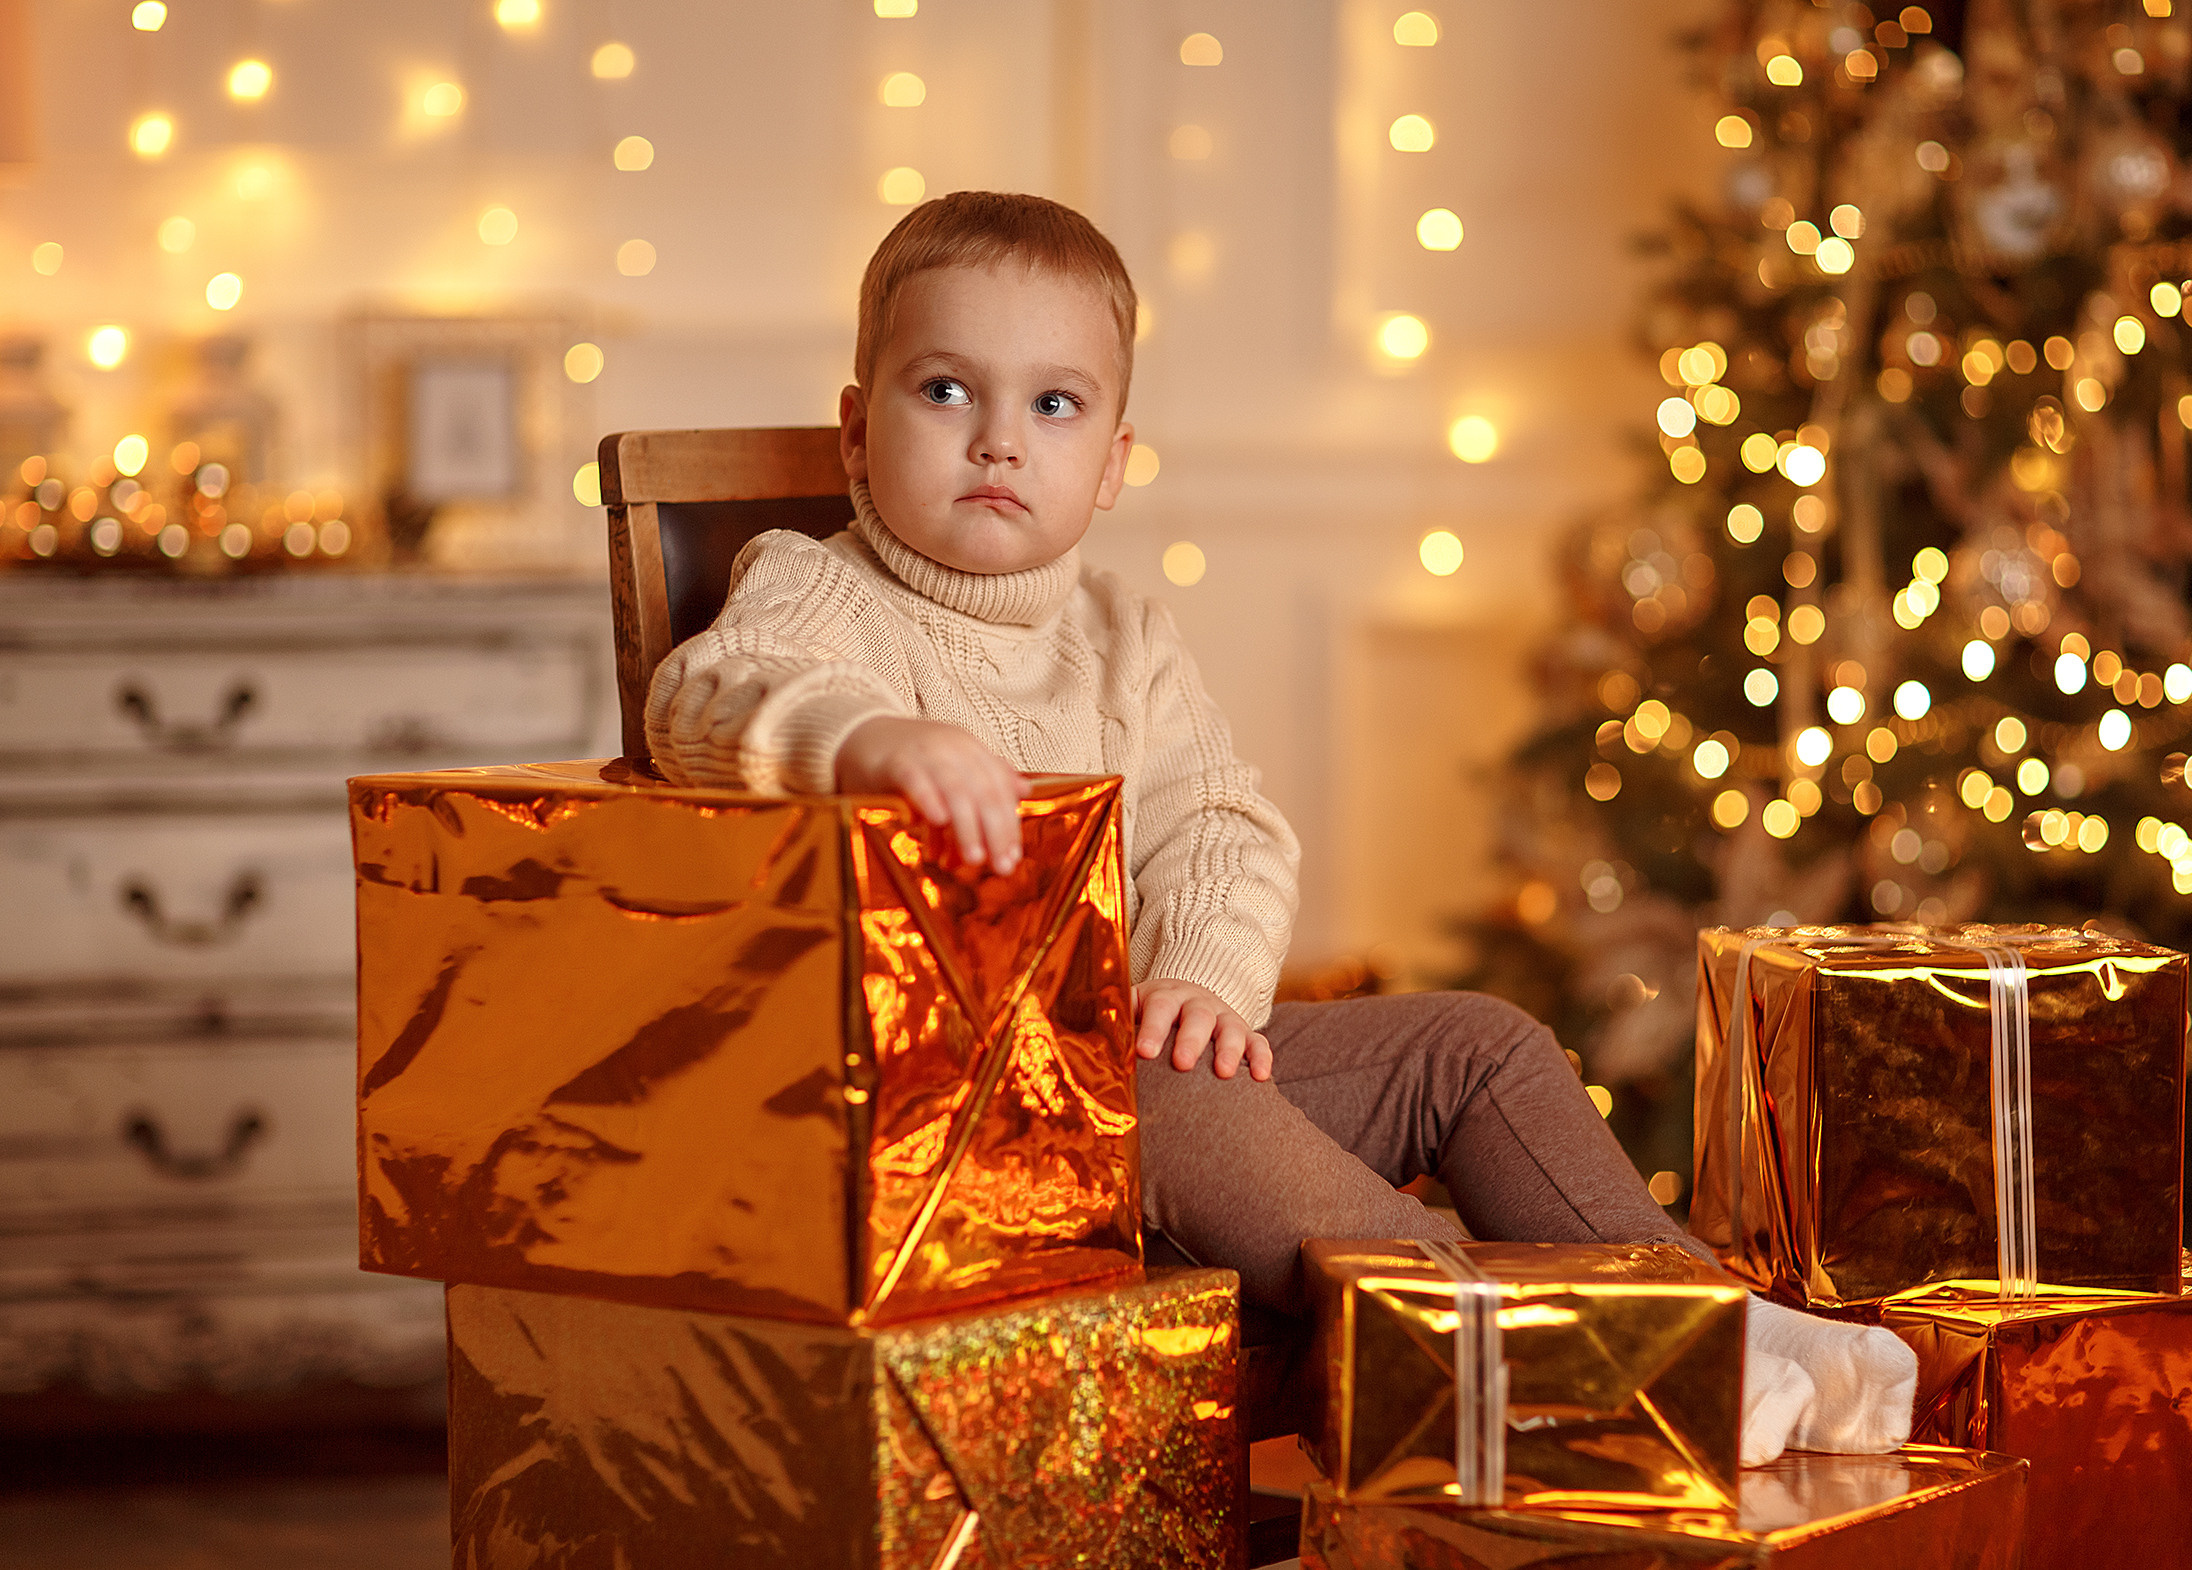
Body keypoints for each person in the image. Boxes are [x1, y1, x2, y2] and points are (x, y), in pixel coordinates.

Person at [644, 190, 1912, 1464]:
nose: (999, 442)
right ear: (856, 431)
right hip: (964, 1127)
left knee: (1476, 1045)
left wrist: (1202, 978)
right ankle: (1584, 1347)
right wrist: (865, 739)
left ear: (1112, 463)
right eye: (944, 391)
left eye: (1053, 404)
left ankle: (1717, 1319)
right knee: (1160, 1092)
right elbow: (703, 696)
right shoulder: (815, 587)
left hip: (1142, 1072)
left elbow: (1221, 826)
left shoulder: (1121, 636)